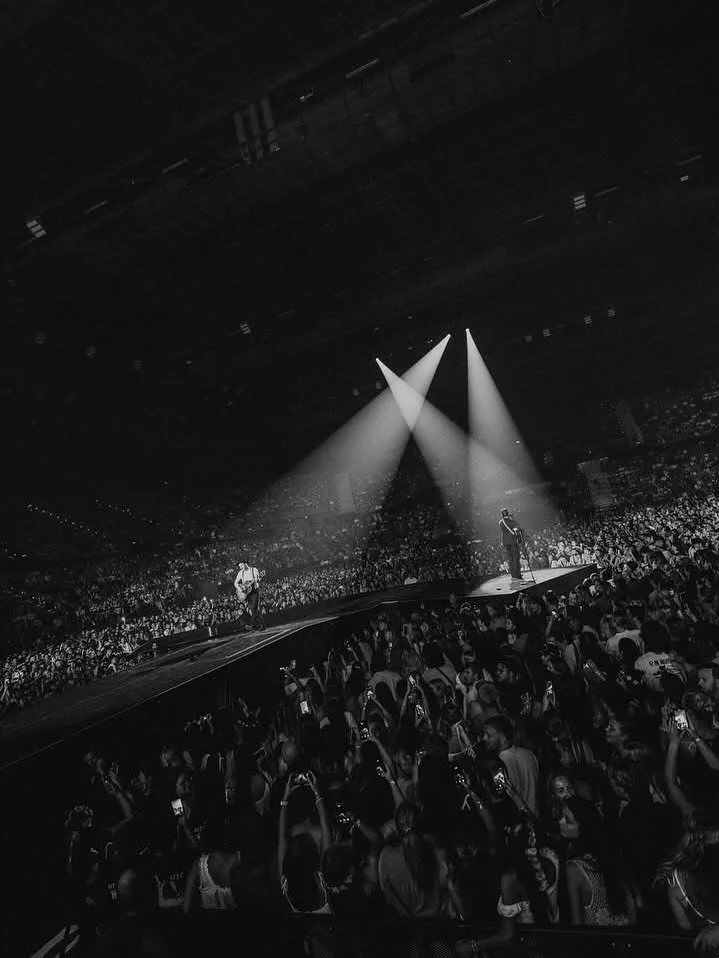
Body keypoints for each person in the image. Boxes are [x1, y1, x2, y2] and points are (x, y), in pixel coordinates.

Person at [234, 561, 264, 631]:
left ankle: (252, 625)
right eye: (240, 567)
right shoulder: (240, 573)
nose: (241, 568)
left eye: (242, 566)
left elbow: (258, 580)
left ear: (245, 564)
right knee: (253, 609)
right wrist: (240, 589)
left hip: (255, 591)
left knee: (254, 608)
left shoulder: (254, 570)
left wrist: (258, 580)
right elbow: (235, 583)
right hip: (247, 593)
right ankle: (260, 625)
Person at [499, 508, 523, 583]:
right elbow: (518, 527)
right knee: (516, 558)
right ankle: (517, 574)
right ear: (507, 513)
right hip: (513, 541)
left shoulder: (501, 522)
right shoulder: (511, 521)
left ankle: (513, 574)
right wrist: (512, 519)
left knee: (511, 559)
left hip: (506, 543)